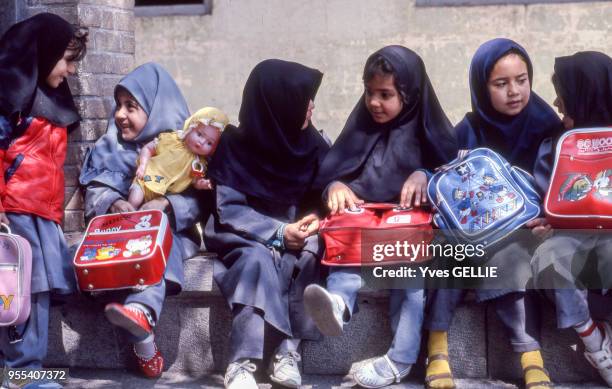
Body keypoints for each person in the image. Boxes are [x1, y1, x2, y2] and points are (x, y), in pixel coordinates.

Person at [304, 45, 457, 388]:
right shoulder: (361, 126)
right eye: (369, 92)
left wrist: (426, 176)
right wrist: (335, 186)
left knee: (411, 281)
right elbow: (332, 170)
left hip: (407, 237)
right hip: (363, 228)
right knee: (342, 260)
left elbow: (453, 176)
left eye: (386, 94)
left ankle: (401, 359)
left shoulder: (430, 133)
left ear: (410, 94)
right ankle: (338, 307)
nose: (374, 102)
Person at [423, 38, 563, 389]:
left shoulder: (548, 127)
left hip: (526, 234)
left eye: (522, 79)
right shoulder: (467, 131)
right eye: (501, 84)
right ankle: (437, 351)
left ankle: (531, 358)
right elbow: (437, 173)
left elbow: (561, 188)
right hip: (475, 231)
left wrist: (550, 220)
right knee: (450, 254)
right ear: (482, 87)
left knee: (512, 259)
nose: (514, 91)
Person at [203, 59, 330, 389]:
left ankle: (289, 351)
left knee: (313, 252)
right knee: (256, 261)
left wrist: (311, 222)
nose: (311, 106)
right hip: (246, 236)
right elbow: (229, 210)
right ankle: (242, 362)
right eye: (303, 98)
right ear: (277, 104)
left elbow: (320, 200)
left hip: (296, 234)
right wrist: (276, 233)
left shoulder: (313, 146)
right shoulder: (234, 146)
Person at [79, 62, 202, 379]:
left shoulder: (182, 150)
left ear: (157, 109)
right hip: (116, 237)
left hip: (161, 238)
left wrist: (166, 203)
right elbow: (96, 190)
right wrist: (115, 202)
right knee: (124, 256)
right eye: (118, 105)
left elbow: (200, 199)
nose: (120, 114)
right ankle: (144, 336)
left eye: (131, 106)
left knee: (152, 258)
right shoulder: (112, 146)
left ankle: (142, 319)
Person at [0, 13, 87, 389]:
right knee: (18, 289)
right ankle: (22, 374)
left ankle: (27, 370)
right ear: (43, 52)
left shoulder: (49, 97)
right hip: (13, 212)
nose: (70, 70)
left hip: (41, 214)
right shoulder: (8, 98)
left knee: (34, 293)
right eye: (66, 59)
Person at [531, 50, 612, 387]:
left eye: (563, 92)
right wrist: (543, 223)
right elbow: (545, 196)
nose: (556, 102)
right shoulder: (558, 143)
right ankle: (594, 344)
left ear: (586, 92)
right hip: (569, 235)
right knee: (548, 258)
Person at [128, 106, 229, 208]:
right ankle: (127, 216)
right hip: (146, 180)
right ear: (191, 127)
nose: (201, 142)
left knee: (154, 214)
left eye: (209, 143)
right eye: (199, 134)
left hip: (163, 194)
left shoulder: (199, 164)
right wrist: (143, 165)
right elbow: (148, 149)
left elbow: (194, 181)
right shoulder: (172, 140)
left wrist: (201, 184)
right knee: (135, 200)